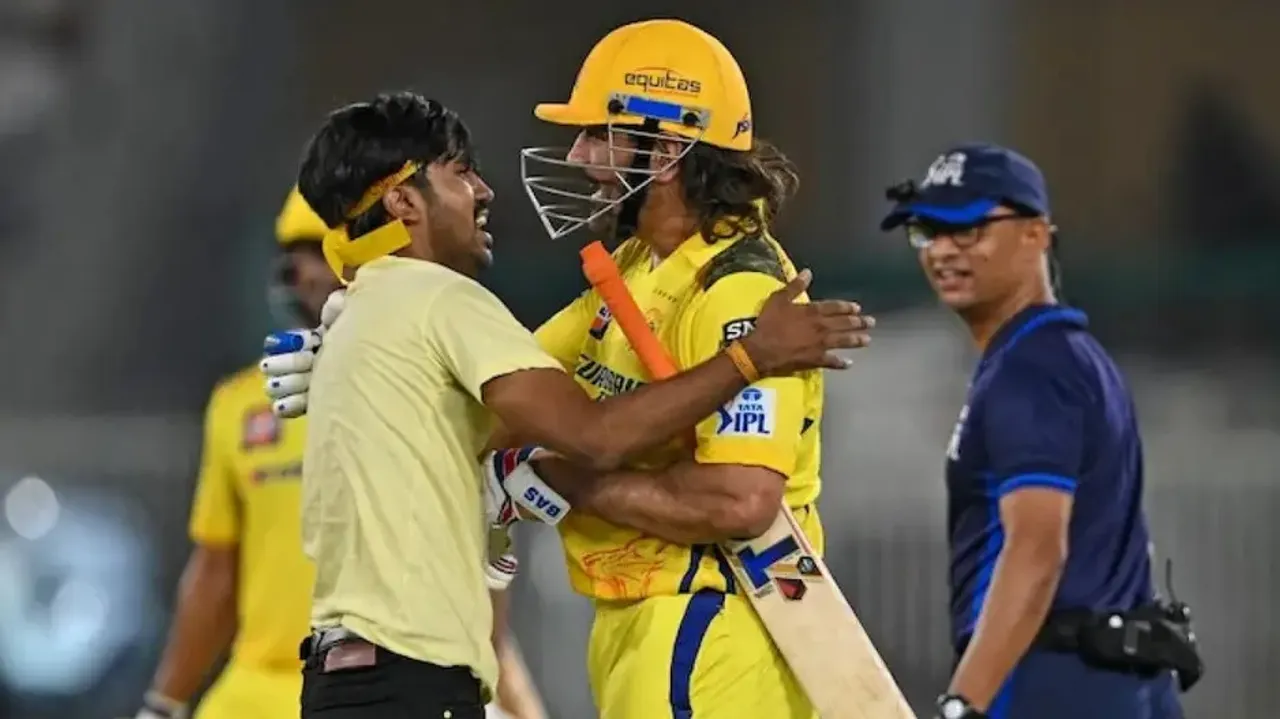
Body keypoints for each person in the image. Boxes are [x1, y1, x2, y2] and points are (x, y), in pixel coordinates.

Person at [276, 90, 867, 719]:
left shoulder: (735, 284)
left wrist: (541, 471)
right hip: (442, 668)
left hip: (702, 626)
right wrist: (749, 357)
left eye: (598, 135)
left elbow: (736, 498)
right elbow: (581, 429)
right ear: (402, 201)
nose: (578, 156)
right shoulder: (457, 298)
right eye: (462, 172)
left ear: (667, 151)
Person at [132, 188, 547, 719]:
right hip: (260, 687)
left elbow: (483, 586)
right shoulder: (240, 406)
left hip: (385, 682)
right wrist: (164, 703)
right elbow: (216, 573)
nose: (319, 270)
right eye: (305, 253)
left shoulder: (444, 395)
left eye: (332, 249)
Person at [880, 143, 1201, 718]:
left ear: (1036, 234)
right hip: (1122, 682)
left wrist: (965, 704)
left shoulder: (1031, 368)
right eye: (928, 231)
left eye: (969, 229)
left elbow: (1036, 549)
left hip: (1052, 681)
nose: (944, 250)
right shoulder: (1072, 354)